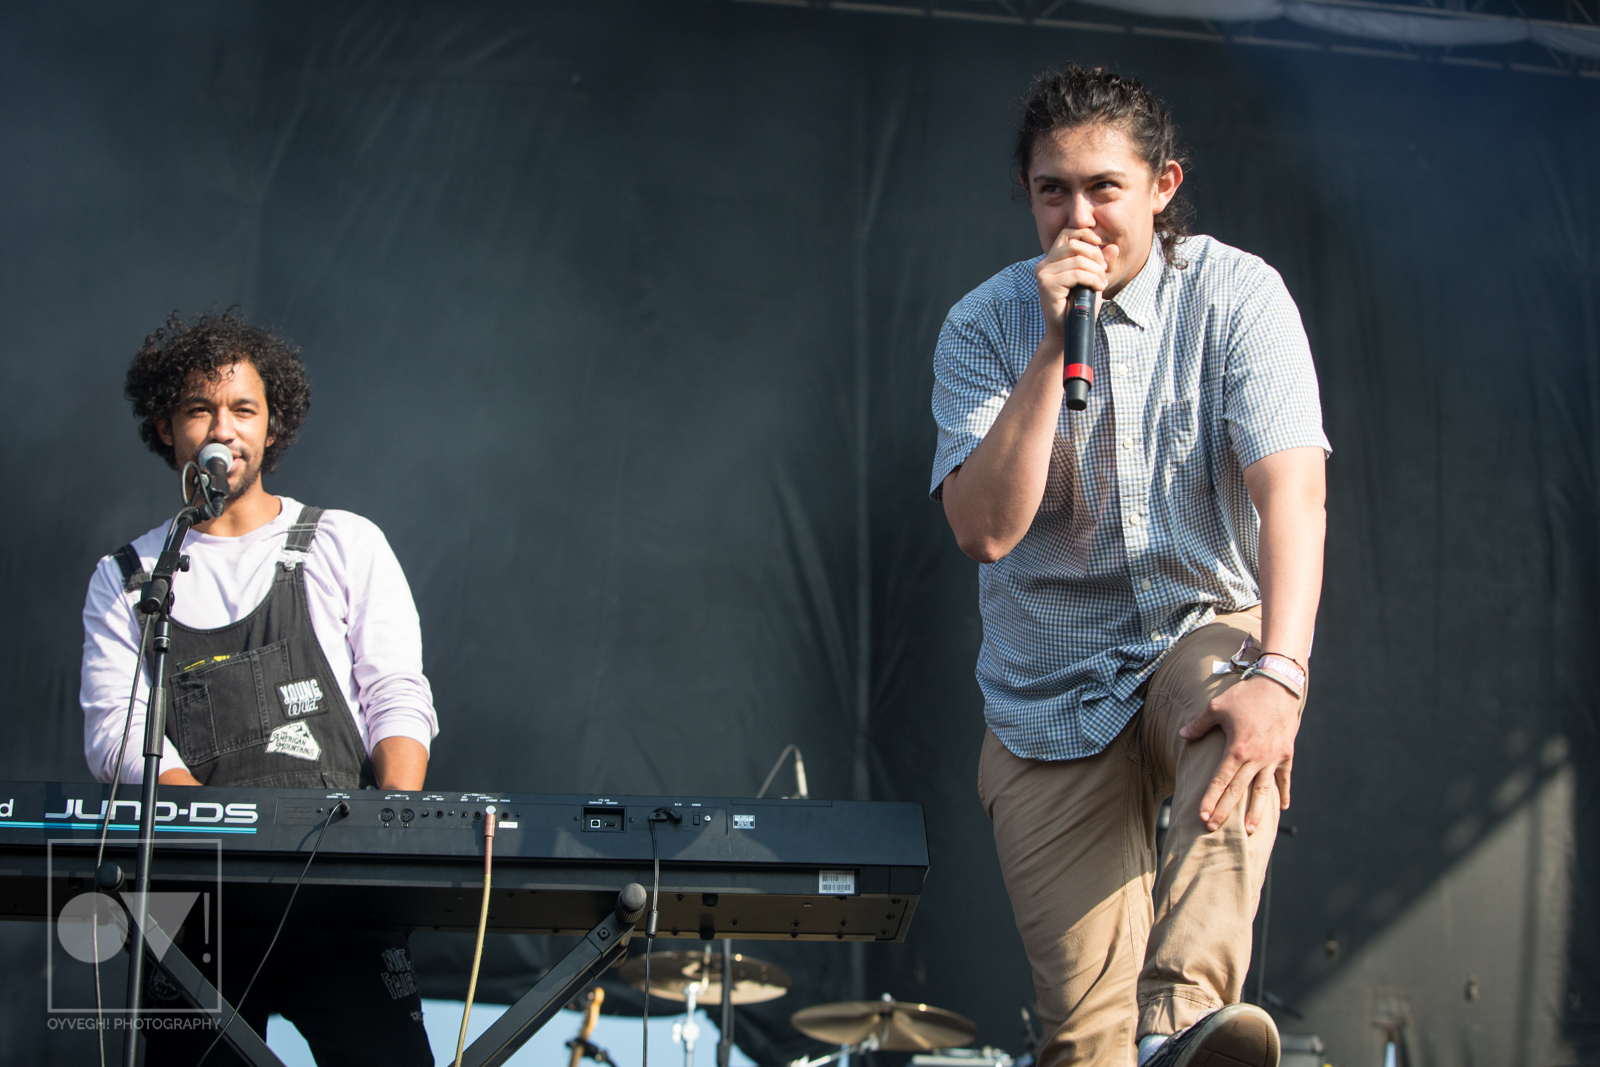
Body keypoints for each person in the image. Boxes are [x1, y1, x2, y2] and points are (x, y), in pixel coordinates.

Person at [930, 66, 1328, 1067]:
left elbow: (1292, 493)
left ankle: (1182, 1022)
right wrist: (1048, 350)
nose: (1079, 215)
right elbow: (983, 531)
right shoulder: (983, 323)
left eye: (1103, 187)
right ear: (1028, 196)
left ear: (1162, 185)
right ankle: (1129, 1047)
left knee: (1240, 703)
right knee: (1082, 1040)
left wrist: (1283, 675)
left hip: (1196, 629)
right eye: (1053, 190)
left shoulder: (1238, 295)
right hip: (1045, 692)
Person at [79, 310, 437, 1065]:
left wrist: (392, 829)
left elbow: (397, 694)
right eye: (199, 409)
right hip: (196, 905)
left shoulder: (344, 541)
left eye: (243, 408)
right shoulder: (127, 579)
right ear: (166, 426)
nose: (223, 428)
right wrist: (221, 834)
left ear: (273, 425)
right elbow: (118, 733)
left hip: (339, 890)